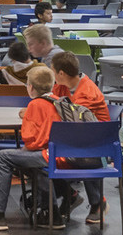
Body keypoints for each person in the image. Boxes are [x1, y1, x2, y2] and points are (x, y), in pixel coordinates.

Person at [0, 67, 67, 231]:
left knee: (2, 156)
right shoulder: (59, 101)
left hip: (47, 156)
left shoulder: (35, 105)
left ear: (31, 87)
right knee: (26, 160)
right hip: (63, 155)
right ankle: (52, 215)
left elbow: (30, 141)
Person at [50, 51, 110, 224]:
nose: (52, 75)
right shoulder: (62, 86)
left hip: (98, 146)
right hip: (75, 140)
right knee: (41, 155)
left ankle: (98, 202)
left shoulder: (87, 93)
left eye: (53, 71)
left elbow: (76, 124)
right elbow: (51, 105)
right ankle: (70, 195)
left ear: (61, 73)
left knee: (53, 155)